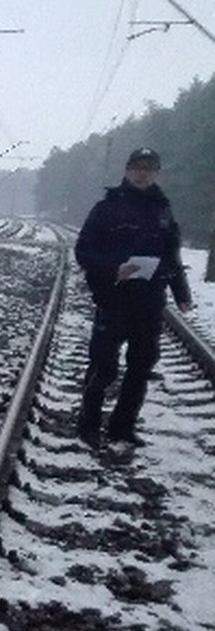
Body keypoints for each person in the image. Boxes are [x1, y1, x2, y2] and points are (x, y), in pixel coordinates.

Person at [74, 147, 193, 449]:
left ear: (156, 173)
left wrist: (182, 294)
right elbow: (84, 251)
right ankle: (88, 424)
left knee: (140, 367)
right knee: (104, 366)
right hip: (113, 298)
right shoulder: (107, 208)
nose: (143, 173)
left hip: (150, 302)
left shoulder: (163, 211)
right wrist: (114, 267)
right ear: (127, 170)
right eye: (138, 167)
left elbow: (172, 255)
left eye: (150, 168)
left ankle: (121, 428)